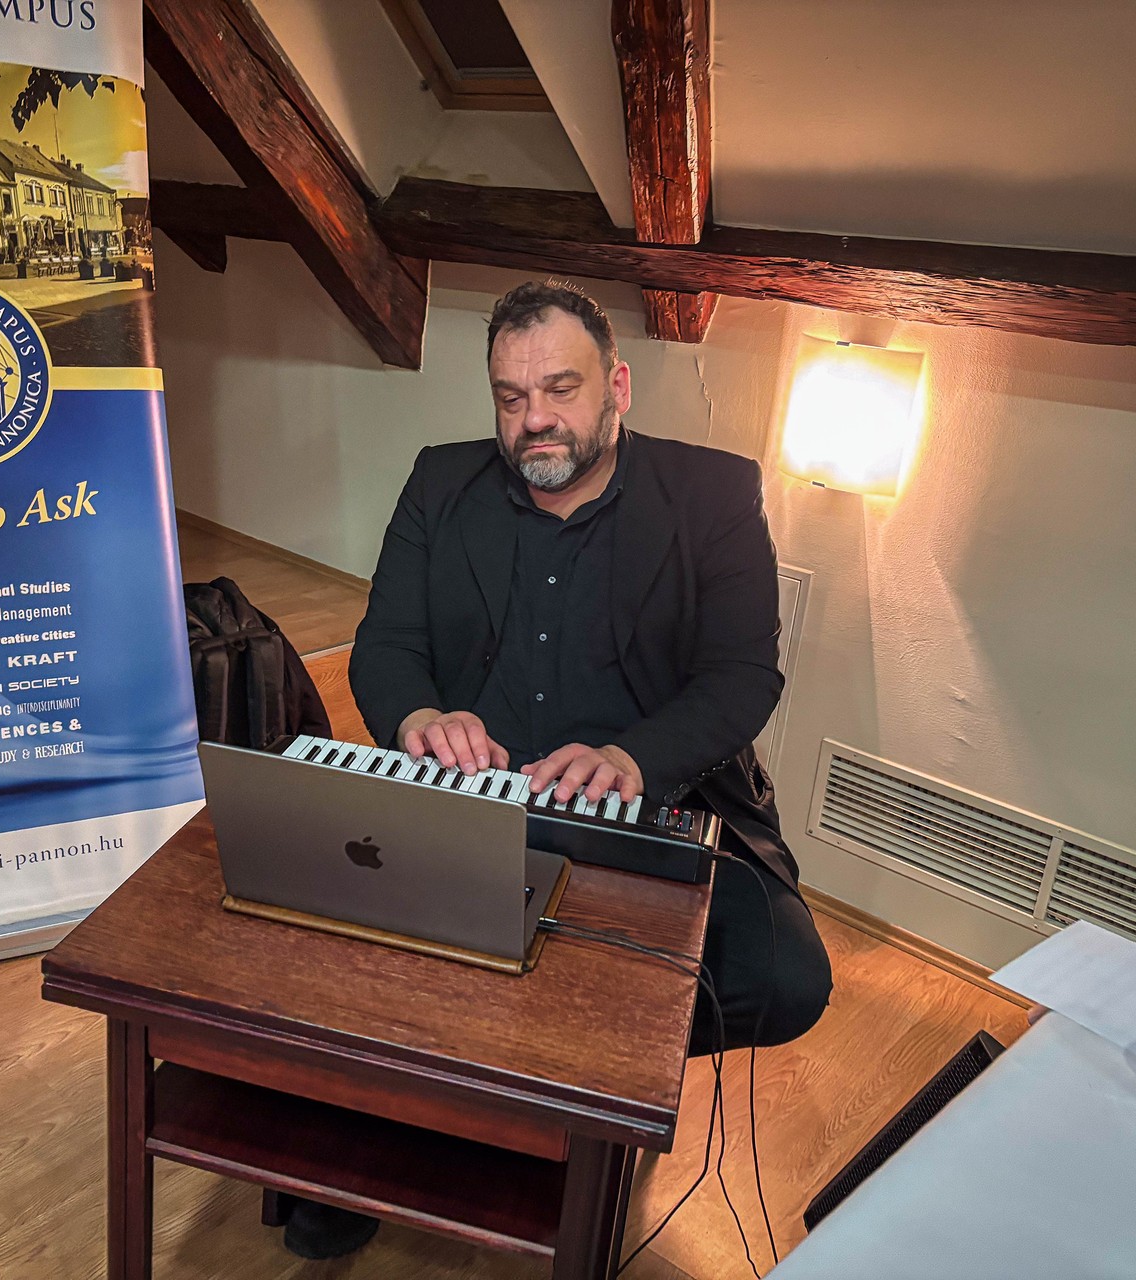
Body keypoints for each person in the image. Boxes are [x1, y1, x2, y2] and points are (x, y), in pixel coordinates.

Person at [276, 280, 835, 1260]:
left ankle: (569, 1092)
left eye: (560, 388)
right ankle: (368, 1140)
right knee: (325, 938)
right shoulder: (439, 481)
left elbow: (742, 675)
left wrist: (633, 757)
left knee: (785, 976)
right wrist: (421, 716)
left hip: (643, 801)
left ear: (616, 386)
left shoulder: (712, 494)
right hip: (474, 800)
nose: (533, 418)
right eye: (510, 395)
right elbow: (386, 645)